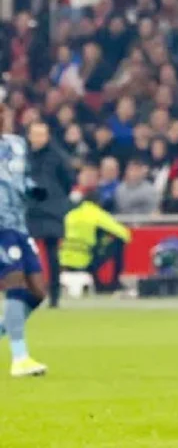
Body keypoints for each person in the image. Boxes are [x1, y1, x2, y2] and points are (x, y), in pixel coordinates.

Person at [0, 103, 50, 377]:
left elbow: (21, 177)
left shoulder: (17, 144)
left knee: (38, 292)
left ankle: (6, 328)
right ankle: (20, 358)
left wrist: (33, 189)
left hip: (19, 224)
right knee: (15, 284)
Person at [25, 121, 74, 308]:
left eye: (42, 134)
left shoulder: (58, 156)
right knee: (25, 252)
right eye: (35, 134)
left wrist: (56, 198)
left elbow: (68, 180)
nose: (38, 138)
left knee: (52, 253)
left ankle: (54, 295)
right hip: (30, 209)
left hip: (51, 209)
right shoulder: (23, 156)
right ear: (29, 136)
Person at [60, 191, 132, 293]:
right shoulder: (97, 214)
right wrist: (105, 239)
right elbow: (125, 234)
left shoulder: (71, 214)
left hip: (64, 259)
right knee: (118, 243)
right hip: (85, 258)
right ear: (98, 202)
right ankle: (114, 283)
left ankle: (98, 282)